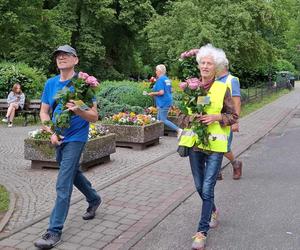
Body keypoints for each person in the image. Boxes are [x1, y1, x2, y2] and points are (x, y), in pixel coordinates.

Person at [34, 45, 101, 249]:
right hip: (58, 137)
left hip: (76, 137)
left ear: (76, 60)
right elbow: (44, 112)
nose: (61, 57)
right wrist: (52, 132)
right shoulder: (51, 83)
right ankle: (94, 198)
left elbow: (94, 115)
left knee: (63, 183)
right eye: (58, 55)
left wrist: (79, 110)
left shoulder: (83, 84)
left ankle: (54, 231)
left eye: (66, 55)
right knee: (71, 173)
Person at [178, 44, 238, 250]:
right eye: (202, 62)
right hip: (194, 143)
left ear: (216, 67)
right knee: (198, 186)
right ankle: (212, 210)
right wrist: (191, 118)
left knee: (207, 186)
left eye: (209, 63)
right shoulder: (189, 87)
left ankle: (201, 232)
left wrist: (217, 116)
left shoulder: (223, 88)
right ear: (198, 65)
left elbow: (233, 116)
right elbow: (179, 116)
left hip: (215, 145)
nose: (205, 66)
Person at [217, 60, 242, 180]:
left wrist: (235, 122)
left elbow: (236, 101)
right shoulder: (214, 80)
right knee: (214, 144)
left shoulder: (232, 80)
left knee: (224, 146)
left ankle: (235, 163)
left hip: (227, 119)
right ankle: (216, 171)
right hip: (215, 119)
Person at [148, 64, 182, 138]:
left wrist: (152, 93)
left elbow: (161, 92)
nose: (156, 71)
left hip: (163, 102)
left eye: (156, 70)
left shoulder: (160, 79)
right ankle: (157, 134)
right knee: (158, 118)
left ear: (160, 71)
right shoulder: (166, 79)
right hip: (167, 100)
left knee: (163, 119)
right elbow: (170, 90)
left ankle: (178, 130)